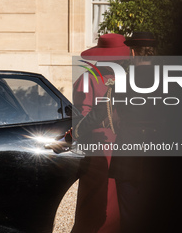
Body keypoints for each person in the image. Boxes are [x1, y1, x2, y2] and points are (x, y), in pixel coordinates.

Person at [49, 34, 130, 233]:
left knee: (111, 203)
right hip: (103, 147)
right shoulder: (93, 78)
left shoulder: (118, 77)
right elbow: (84, 116)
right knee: (100, 200)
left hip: (113, 145)